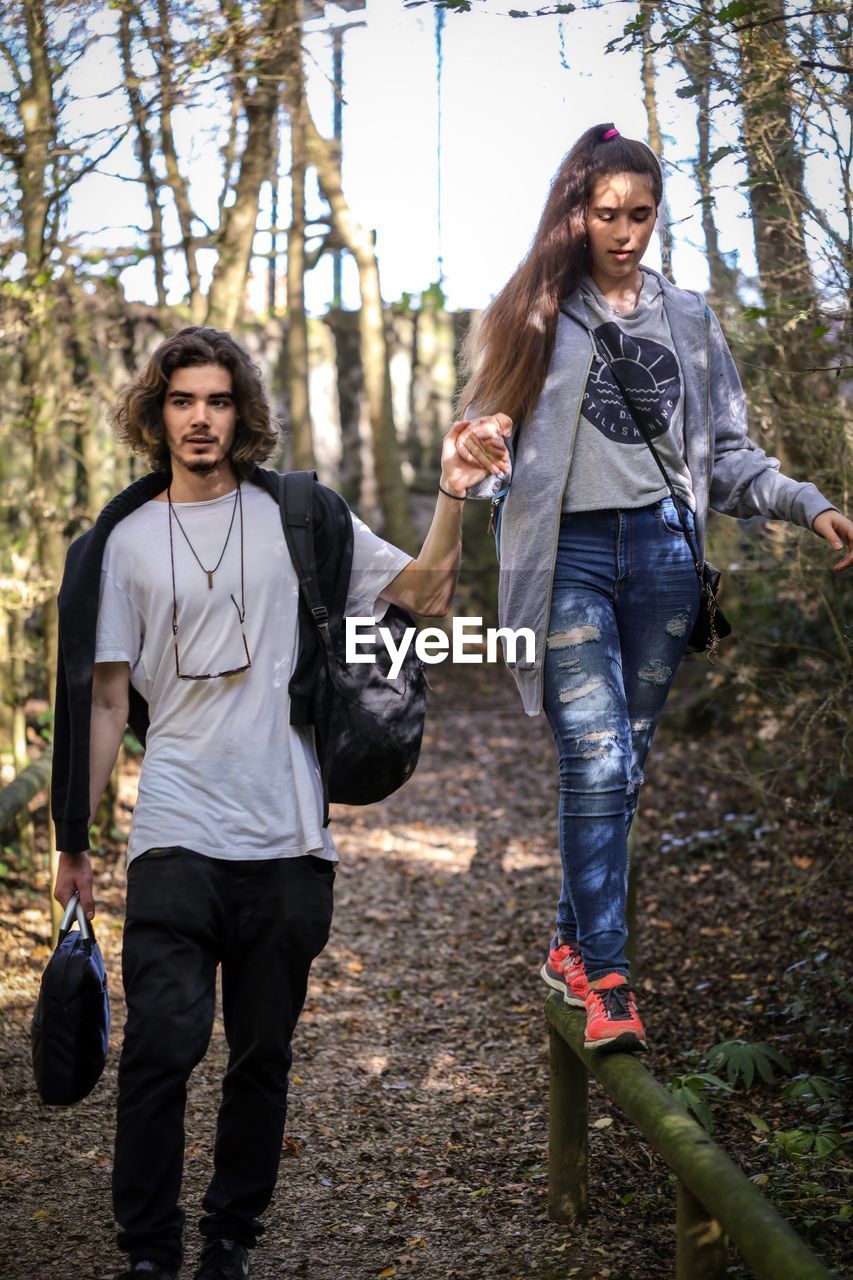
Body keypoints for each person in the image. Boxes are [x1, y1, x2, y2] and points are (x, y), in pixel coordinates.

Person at [51, 326, 506, 1280]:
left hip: (289, 835)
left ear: (242, 412)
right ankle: (147, 1251)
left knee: (261, 1057)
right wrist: (73, 840)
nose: (200, 419)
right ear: (156, 413)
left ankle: (228, 1239)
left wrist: (455, 490)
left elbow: (422, 591)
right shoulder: (122, 543)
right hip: (174, 826)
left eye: (217, 401)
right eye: (182, 401)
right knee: (161, 1048)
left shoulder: (303, 515)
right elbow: (103, 699)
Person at [452, 123, 853, 1054]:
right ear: (574, 214)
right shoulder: (533, 313)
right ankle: (609, 981)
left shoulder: (689, 319)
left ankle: (566, 946)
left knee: (622, 769)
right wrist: (480, 454)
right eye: (605, 214)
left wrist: (808, 504)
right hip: (569, 564)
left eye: (639, 214)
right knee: (593, 761)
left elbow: (730, 456)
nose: (623, 232)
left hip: (666, 560)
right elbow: (483, 441)